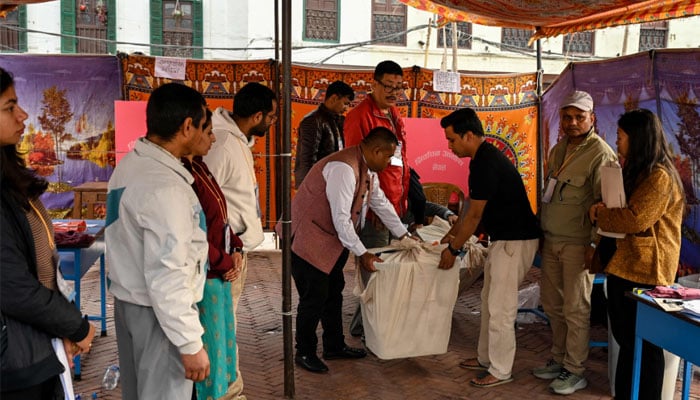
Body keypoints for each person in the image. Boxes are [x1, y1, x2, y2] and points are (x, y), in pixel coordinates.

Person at [106, 82, 210, 400]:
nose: (208, 135)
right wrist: (189, 342)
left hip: (132, 306)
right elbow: (168, 272)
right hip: (158, 315)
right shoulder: (165, 187)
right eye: (203, 126)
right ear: (187, 126)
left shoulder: (131, 166)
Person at [0, 67, 96, 400]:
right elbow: (13, 287)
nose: (22, 115)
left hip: (32, 346)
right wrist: (75, 326)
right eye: (9, 107)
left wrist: (60, 328)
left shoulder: (8, 176)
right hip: (14, 362)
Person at [288, 126, 413, 373]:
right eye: (388, 156)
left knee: (334, 292)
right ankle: (304, 351)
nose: (389, 162)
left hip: (330, 240)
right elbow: (341, 219)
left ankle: (334, 345)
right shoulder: (344, 168)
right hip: (307, 238)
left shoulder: (367, 168)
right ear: (376, 151)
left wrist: (404, 236)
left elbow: (380, 203)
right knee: (314, 298)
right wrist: (362, 252)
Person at [437, 108, 540, 388]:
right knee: (488, 301)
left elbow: (474, 216)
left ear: (469, 135)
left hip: (515, 241)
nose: (450, 146)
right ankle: (486, 358)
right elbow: (471, 207)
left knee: (501, 307)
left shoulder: (486, 162)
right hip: (503, 239)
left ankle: (501, 369)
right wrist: (451, 233)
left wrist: (454, 250)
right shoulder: (481, 159)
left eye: (452, 140)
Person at [589, 109, 684, 400]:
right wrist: (602, 208)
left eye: (620, 136)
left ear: (638, 138)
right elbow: (622, 209)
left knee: (645, 345)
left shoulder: (659, 177)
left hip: (646, 271)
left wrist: (602, 215)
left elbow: (635, 219)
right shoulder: (637, 171)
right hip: (625, 266)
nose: (616, 141)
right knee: (628, 341)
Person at [534, 90, 617, 395]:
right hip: (552, 239)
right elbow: (549, 195)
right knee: (553, 305)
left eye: (579, 117)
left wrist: (594, 246)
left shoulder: (601, 154)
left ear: (591, 118)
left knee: (576, 309)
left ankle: (575, 370)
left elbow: (607, 206)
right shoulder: (558, 150)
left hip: (578, 244)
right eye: (567, 117)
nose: (572, 122)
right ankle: (558, 360)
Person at [204, 81, 277, 400]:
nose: (272, 123)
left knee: (226, 324)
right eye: (271, 117)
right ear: (257, 116)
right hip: (225, 253)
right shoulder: (221, 143)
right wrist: (226, 250)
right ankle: (226, 392)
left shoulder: (236, 139)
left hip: (235, 247)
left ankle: (227, 388)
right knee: (222, 327)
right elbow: (206, 201)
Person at [344, 60, 411, 335]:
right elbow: (358, 168)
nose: (394, 92)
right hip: (374, 209)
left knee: (388, 272)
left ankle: (376, 326)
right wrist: (373, 210)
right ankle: (365, 329)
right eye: (389, 86)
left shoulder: (394, 114)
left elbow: (400, 160)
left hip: (394, 204)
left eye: (399, 87)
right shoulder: (360, 116)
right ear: (374, 84)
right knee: (374, 272)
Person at [182, 109, 243, 400]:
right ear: (188, 130)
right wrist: (225, 260)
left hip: (218, 271)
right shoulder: (183, 177)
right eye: (207, 132)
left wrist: (237, 248)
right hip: (204, 276)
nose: (213, 138)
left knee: (219, 354)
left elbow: (220, 219)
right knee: (205, 358)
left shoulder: (201, 167)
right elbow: (195, 235)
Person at [295, 80, 354, 187]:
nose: (347, 108)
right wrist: (309, 188)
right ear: (334, 98)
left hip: (333, 180)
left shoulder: (340, 121)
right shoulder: (313, 121)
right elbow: (307, 159)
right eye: (345, 103)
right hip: (317, 183)